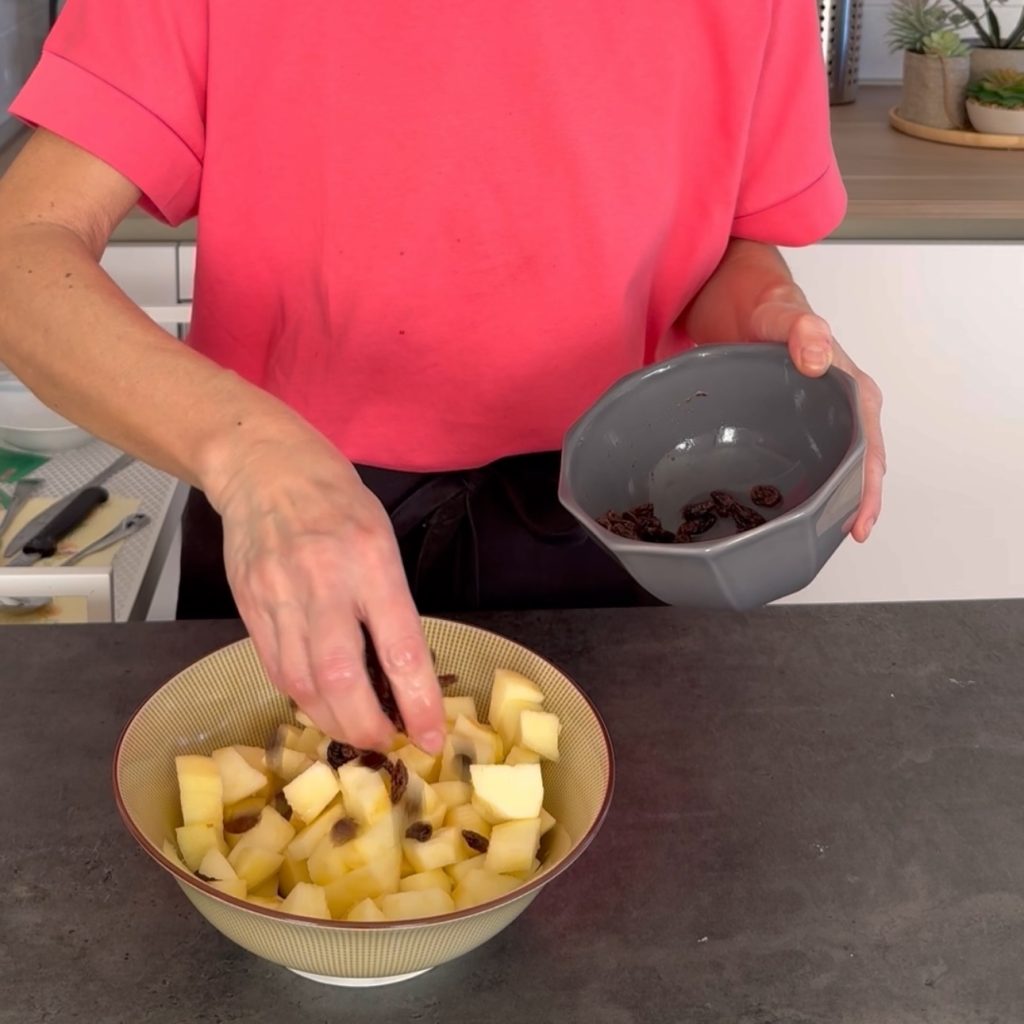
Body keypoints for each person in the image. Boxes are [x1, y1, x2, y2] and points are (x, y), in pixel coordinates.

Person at [0, 0, 885, 757]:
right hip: (294, 529)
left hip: (619, 539)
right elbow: (20, 251)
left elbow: (726, 243)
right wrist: (255, 458)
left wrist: (772, 314)